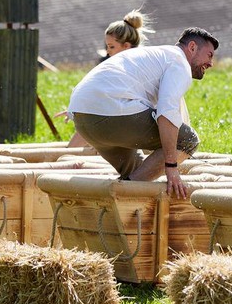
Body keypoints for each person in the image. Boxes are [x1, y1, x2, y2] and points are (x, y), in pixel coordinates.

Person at [68, 27, 219, 198]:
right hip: (109, 114)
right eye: (209, 55)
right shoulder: (179, 62)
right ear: (192, 47)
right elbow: (167, 113)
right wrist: (171, 167)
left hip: (82, 120)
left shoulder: (157, 56)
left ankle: (122, 203)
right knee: (187, 140)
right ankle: (126, 195)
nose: (211, 63)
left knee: (141, 172)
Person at [58, 9, 154, 148]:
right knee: (90, 124)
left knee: (92, 125)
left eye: (111, 47)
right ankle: (71, 154)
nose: (108, 51)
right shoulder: (122, 64)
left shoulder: (134, 65)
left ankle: (70, 155)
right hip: (126, 119)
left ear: (126, 46)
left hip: (140, 122)